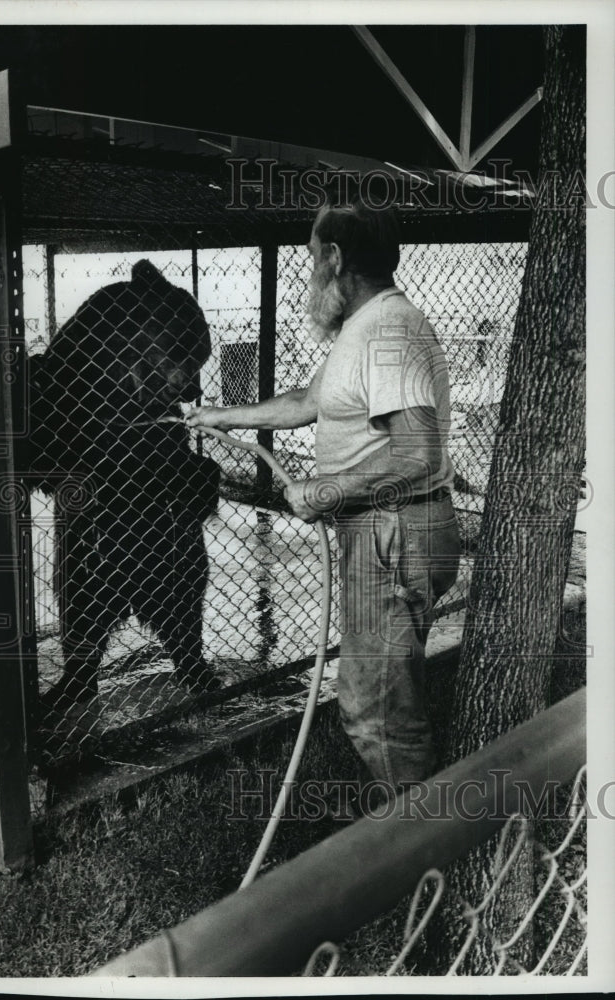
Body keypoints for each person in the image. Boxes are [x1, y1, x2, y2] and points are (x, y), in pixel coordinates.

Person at [186, 198, 461, 796]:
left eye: (312, 254)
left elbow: (419, 455)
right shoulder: (367, 327)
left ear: (335, 257)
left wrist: (326, 489)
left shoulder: (389, 330)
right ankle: (414, 836)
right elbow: (309, 400)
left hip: (392, 531)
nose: (309, 267)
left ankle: (421, 858)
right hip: (388, 532)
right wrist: (224, 417)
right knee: (383, 699)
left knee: (375, 714)